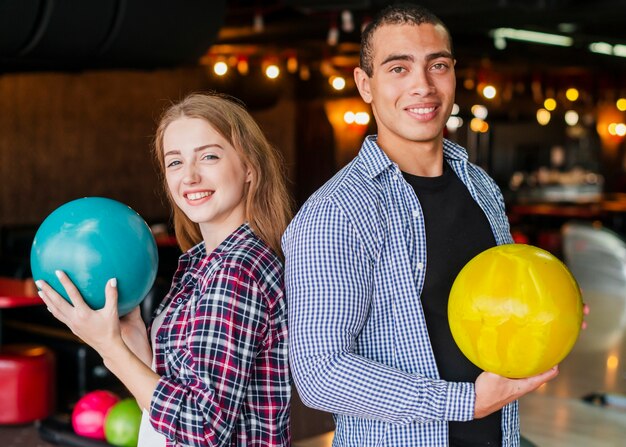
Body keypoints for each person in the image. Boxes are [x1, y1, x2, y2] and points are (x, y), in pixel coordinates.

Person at [282, 4, 559, 447]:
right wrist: (461, 402)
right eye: (399, 68)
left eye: (438, 65)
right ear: (365, 85)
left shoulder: (480, 184)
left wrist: (546, 309)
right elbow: (320, 374)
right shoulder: (336, 212)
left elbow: (492, 304)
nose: (423, 86)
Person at [36, 92, 293, 447]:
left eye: (209, 156)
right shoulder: (201, 262)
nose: (189, 176)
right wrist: (135, 340)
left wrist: (110, 347)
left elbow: (202, 429)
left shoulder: (237, 271)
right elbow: (173, 392)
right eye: (175, 162)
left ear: (249, 167)